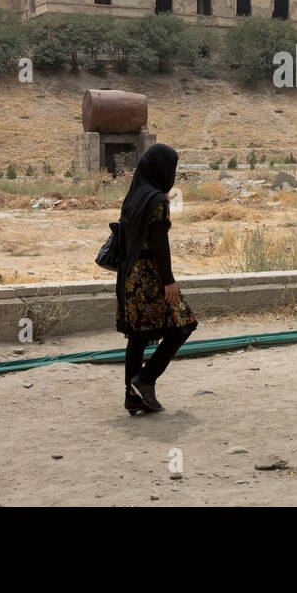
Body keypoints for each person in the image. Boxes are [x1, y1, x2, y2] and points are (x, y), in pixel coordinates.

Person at [114, 143, 196, 414]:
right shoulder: (157, 201)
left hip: (130, 276)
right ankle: (145, 380)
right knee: (183, 325)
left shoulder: (134, 196)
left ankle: (133, 397)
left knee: (137, 336)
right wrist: (168, 281)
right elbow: (160, 244)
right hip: (151, 276)